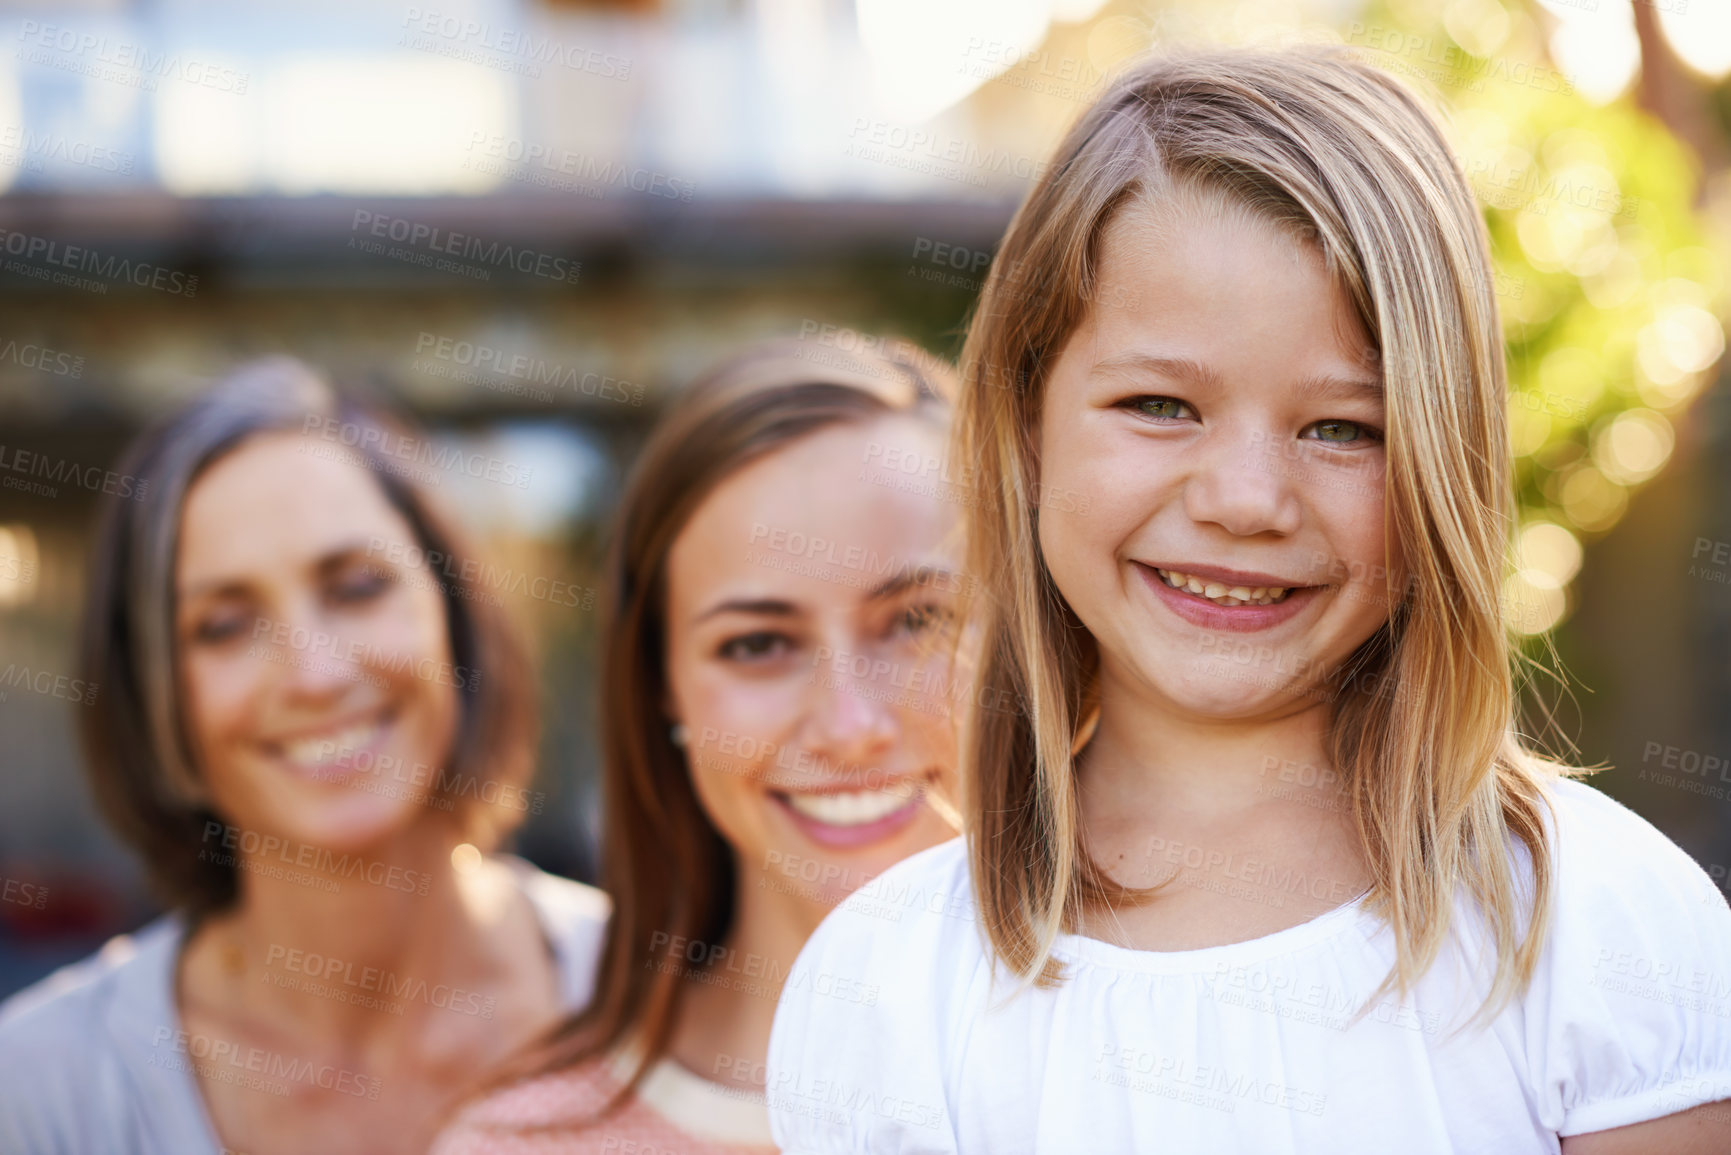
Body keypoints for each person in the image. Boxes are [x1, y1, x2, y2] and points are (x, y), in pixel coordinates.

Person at [766, 47, 1731, 1154]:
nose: (1247, 502)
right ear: (1026, 424)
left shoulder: (1601, 930)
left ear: (1445, 463)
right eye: (1161, 405)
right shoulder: (884, 988)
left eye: (1343, 429)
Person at [0, 357, 610, 1155]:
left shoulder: (676, 1010)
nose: (315, 674)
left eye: (357, 586)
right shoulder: (39, 1091)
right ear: (153, 702)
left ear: (453, 618)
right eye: (223, 625)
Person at [432, 337, 966, 1153]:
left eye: (919, 620)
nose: (851, 724)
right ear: (662, 687)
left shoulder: (1171, 1065)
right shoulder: (525, 1142)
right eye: (757, 643)